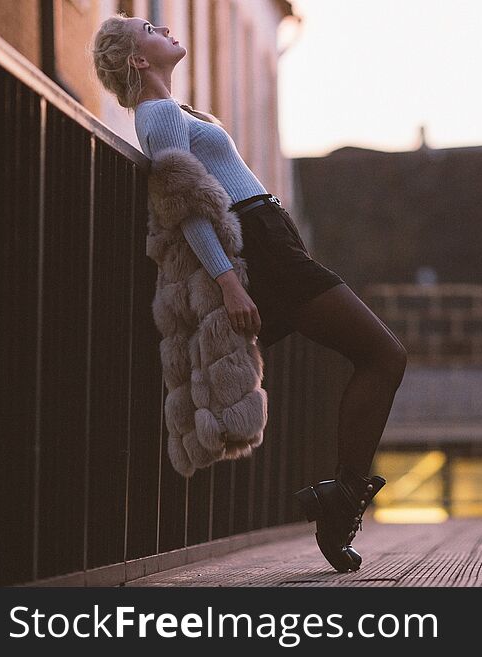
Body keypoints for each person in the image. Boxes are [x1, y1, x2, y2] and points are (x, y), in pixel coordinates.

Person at [91, 13, 407, 573]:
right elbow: (183, 206)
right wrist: (229, 282)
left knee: (373, 356)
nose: (162, 27)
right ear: (139, 60)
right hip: (258, 250)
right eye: (148, 29)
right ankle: (342, 498)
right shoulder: (158, 114)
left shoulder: (175, 111)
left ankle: (340, 500)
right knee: (383, 354)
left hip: (269, 241)